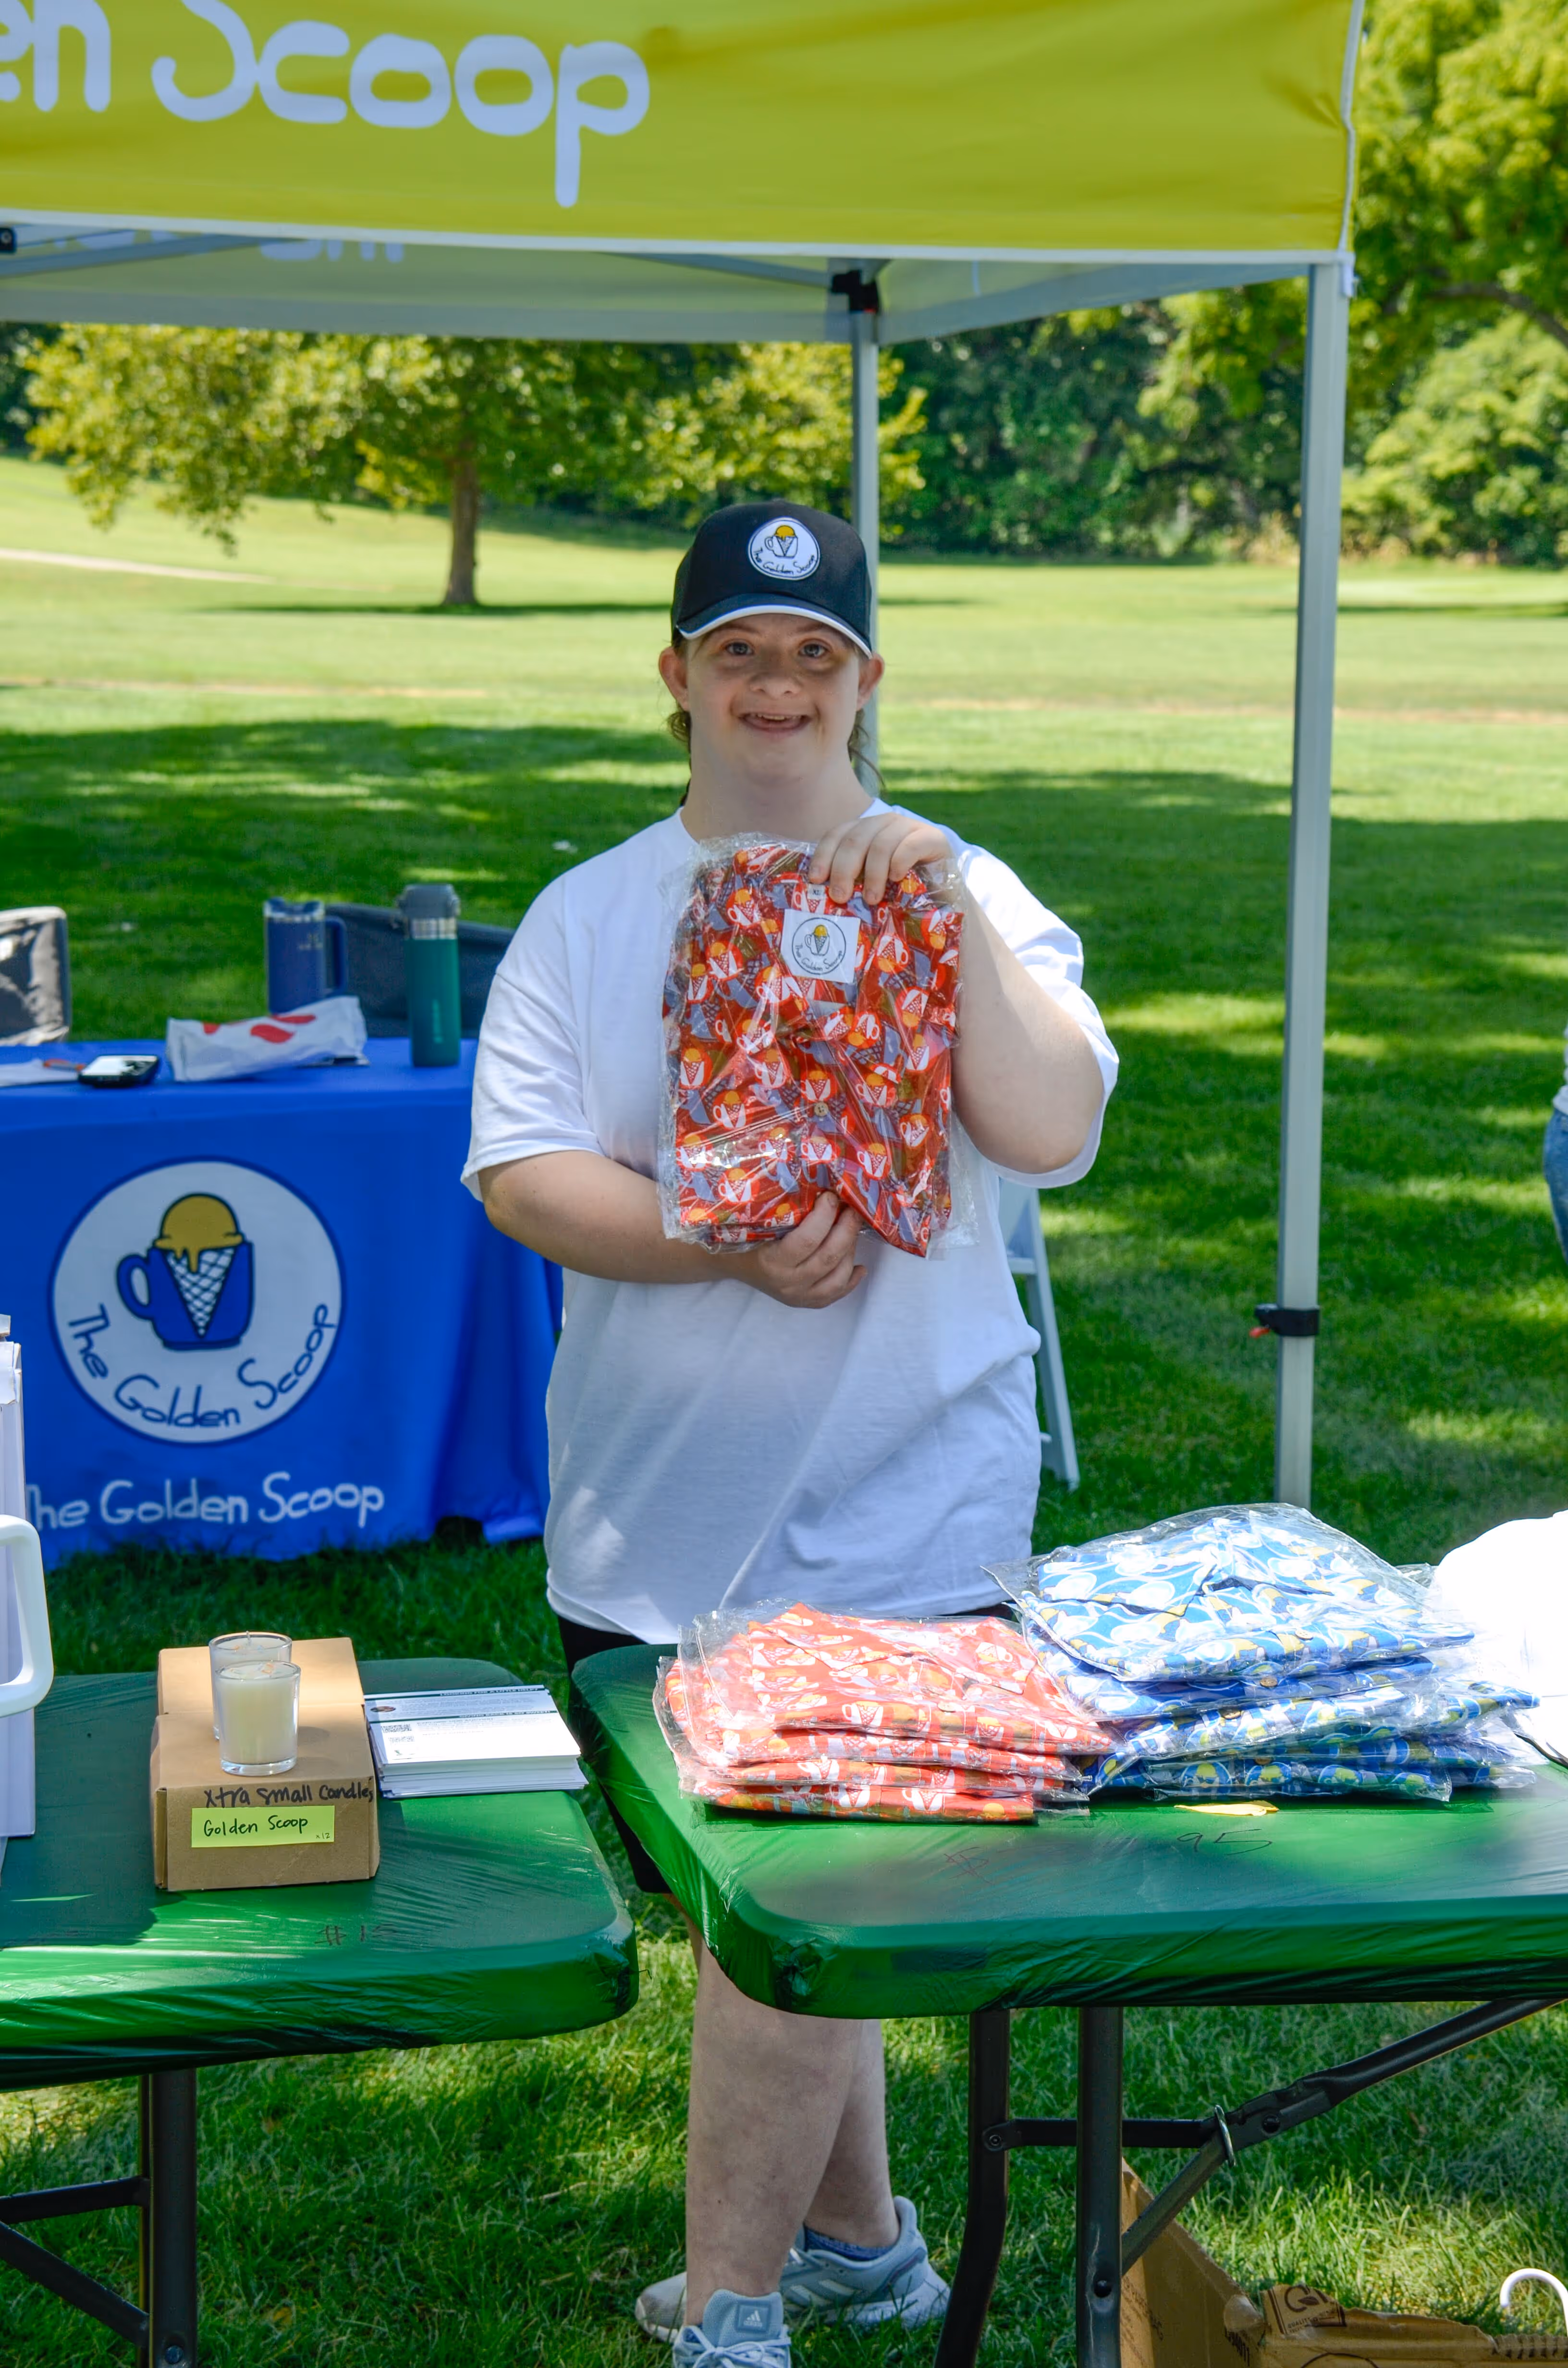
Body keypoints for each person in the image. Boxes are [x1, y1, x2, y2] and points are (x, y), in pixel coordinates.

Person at [465, 500, 1117, 2368]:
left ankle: (734, 2310)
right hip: (651, 1515)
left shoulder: (952, 880)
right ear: (676, 679)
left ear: (867, 681)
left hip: (909, 1499)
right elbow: (521, 1173)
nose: (775, 682)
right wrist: (716, 1233)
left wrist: (946, 914)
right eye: (739, 648)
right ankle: (866, 2243)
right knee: (783, 1898)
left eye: (811, 652)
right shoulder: (589, 914)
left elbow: (1052, 1115)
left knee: (793, 1884)